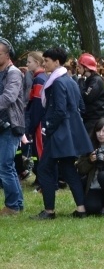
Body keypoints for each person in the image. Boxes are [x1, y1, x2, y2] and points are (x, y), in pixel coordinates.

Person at [34, 46, 94, 219]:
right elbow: (81, 107)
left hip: (58, 134)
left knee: (44, 169)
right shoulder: (71, 81)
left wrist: (49, 127)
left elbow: (59, 111)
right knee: (68, 170)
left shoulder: (58, 82)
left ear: (57, 62)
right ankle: (81, 209)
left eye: (46, 61)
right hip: (70, 133)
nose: (44, 64)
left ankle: (49, 211)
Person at [0, 37, 26, 215]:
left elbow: (9, 96)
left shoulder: (14, 73)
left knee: (4, 166)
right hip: (2, 125)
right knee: (7, 166)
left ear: (8, 55)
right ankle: (18, 204)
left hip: (11, 125)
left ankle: (12, 206)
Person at [23, 51, 47, 192]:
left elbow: (37, 106)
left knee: (40, 152)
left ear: (37, 63)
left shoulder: (38, 80)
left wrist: (31, 127)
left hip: (39, 123)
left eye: (29, 62)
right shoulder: (42, 77)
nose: (27, 64)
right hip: (41, 121)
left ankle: (43, 182)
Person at [75, 53, 104, 135]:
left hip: (96, 119)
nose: (78, 69)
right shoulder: (90, 80)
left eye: (79, 67)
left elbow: (86, 97)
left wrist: (80, 82)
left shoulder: (96, 81)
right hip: (90, 117)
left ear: (86, 68)